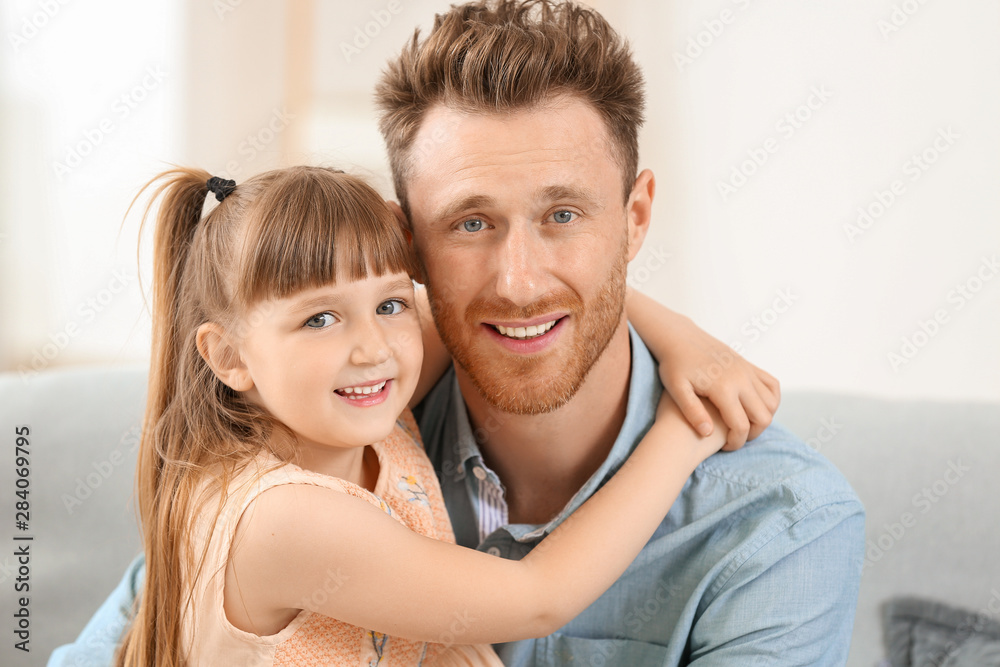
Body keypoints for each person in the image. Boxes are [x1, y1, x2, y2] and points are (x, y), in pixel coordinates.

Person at [51, 1, 864, 665]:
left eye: (564, 215)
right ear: (413, 247)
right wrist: (688, 421)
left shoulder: (783, 522)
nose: (517, 280)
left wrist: (680, 334)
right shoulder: (337, 428)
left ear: (636, 217)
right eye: (470, 223)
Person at [105, 164, 764, 666]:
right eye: (320, 317)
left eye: (391, 303)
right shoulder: (284, 516)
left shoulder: (351, 396)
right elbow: (540, 596)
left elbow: (524, 303)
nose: (373, 346)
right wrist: (686, 430)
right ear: (229, 356)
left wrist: (686, 340)